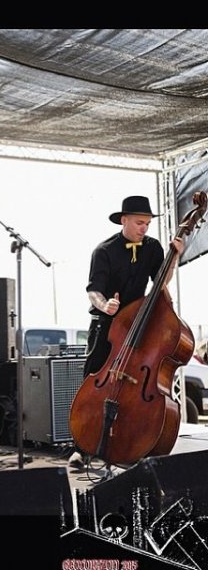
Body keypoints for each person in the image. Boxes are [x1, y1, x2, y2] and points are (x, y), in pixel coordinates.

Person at [69, 195, 184, 468]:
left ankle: (129, 441)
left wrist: (174, 259)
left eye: (147, 223)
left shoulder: (153, 248)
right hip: (107, 323)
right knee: (94, 377)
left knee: (135, 385)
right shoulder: (104, 250)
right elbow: (93, 290)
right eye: (139, 223)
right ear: (124, 220)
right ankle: (81, 447)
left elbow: (161, 282)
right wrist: (105, 305)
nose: (144, 228)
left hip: (136, 322)